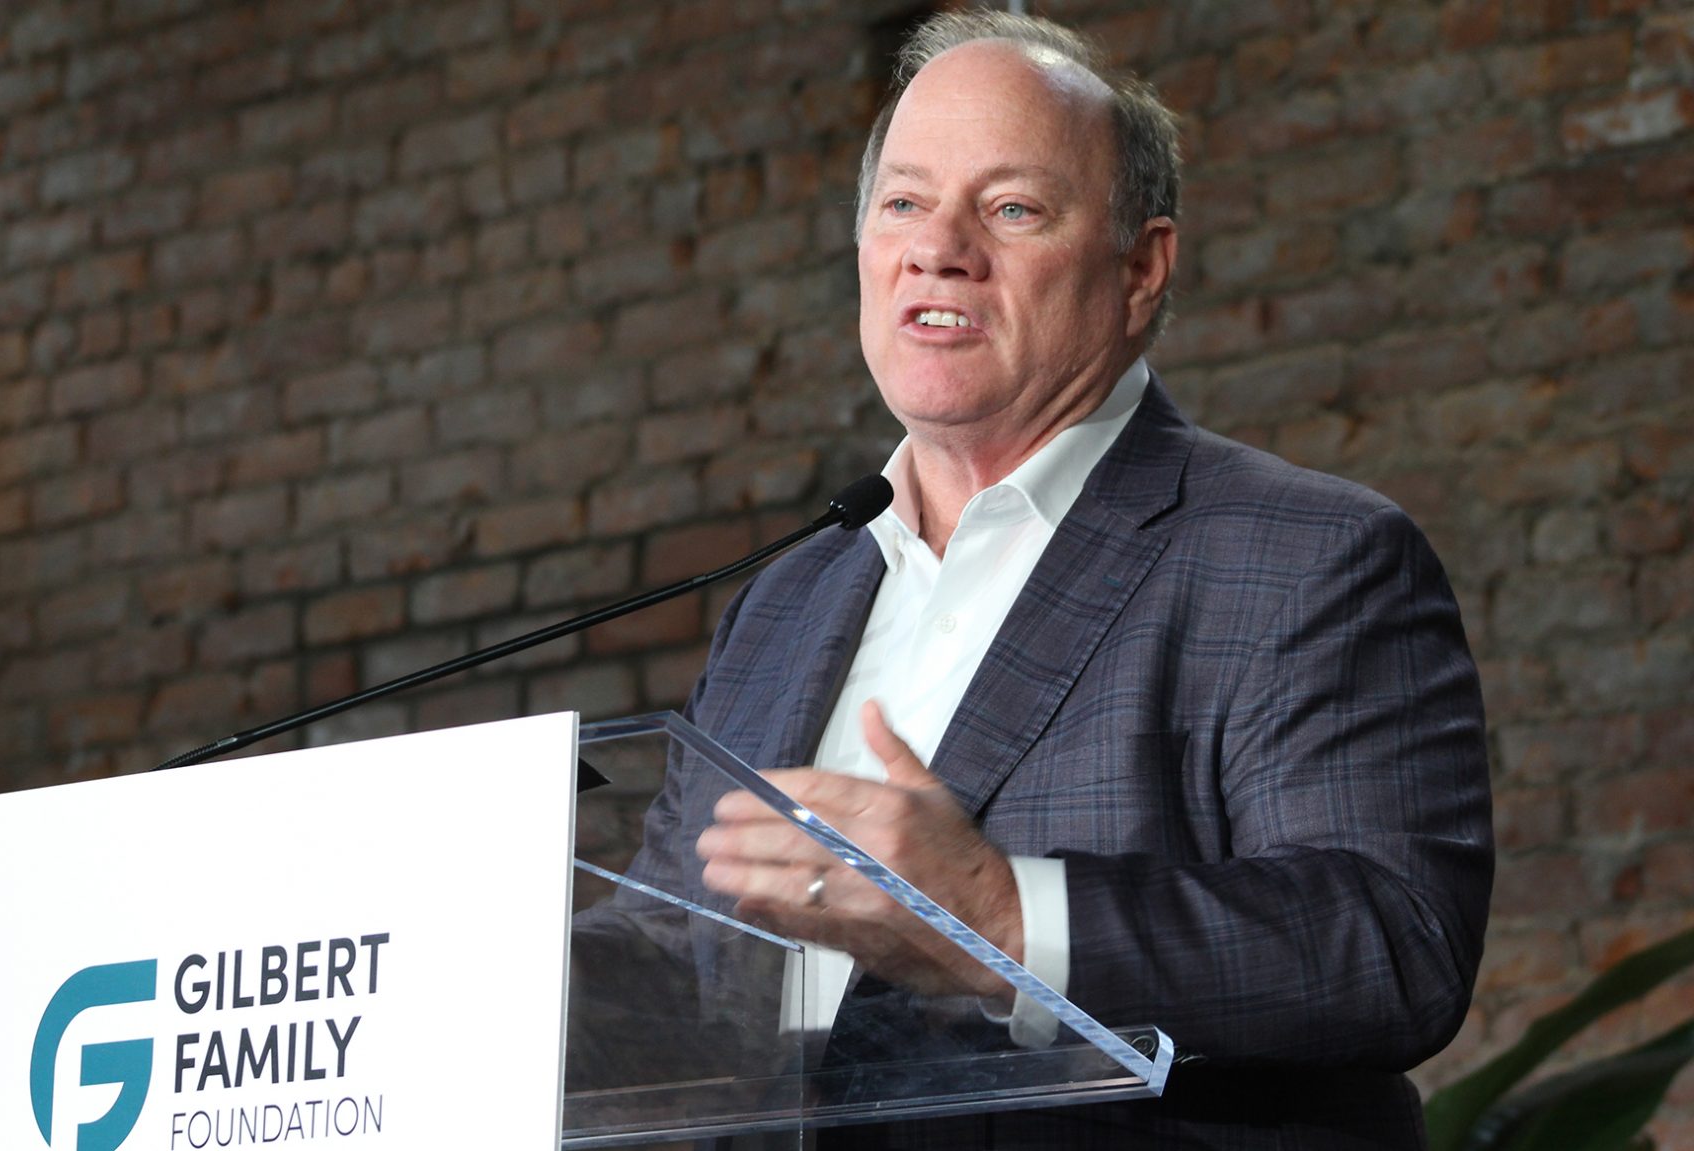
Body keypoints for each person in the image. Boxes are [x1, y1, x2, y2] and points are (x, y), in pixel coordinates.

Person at [601, 10, 1493, 1148]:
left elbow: (1390, 942)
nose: (939, 248)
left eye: (1010, 208)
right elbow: (674, 959)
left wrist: (997, 913)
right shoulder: (784, 602)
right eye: (903, 203)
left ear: (1137, 269)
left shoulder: (1306, 556)